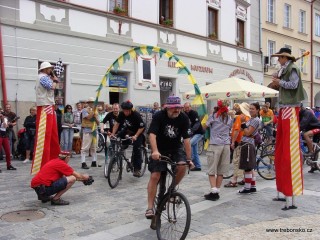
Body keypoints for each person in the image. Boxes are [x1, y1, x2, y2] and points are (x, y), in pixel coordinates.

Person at [145, 96, 193, 218]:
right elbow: (152, 135)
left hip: (175, 148)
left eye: (178, 108)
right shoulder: (159, 116)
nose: (176, 110)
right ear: (167, 108)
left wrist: (189, 158)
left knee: (182, 166)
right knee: (155, 175)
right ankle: (150, 208)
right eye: (173, 108)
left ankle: (171, 190)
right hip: (159, 148)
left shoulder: (184, 118)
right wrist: (155, 151)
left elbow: (187, 140)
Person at [271, 47, 304, 210]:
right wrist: (277, 79)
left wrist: (279, 82)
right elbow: (280, 84)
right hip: (284, 108)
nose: (278, 60)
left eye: (279, 57)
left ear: (285, 57)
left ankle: (290, 197)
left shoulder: (293, 69)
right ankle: (282, 191)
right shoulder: (286, 68)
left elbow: (293, 84)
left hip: (291, 109)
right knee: (280, 151)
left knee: (289, 153)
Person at [32, 62, 61, 175]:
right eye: (49, 68)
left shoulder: (43, 77)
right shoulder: (42, 77)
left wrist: (53, 79)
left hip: (48, 106)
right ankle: (42, 165)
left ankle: (52, 162)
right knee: (45, 137)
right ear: (45, 69)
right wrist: (54, 79)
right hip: (45, 107)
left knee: (52, 136)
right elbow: (52, 86)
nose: (50, 70)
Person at [202, 100, 233, 201]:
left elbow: (204, 127)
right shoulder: (229, 118)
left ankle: (213, 192)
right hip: (226, 145)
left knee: (212, 169)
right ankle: (217, 191)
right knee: (221, 171)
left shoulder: (214, 116)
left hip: (215, 144)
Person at [111, 100, 146, 177]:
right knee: (118, 138)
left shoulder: (136, 115)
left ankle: (137, 169)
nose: (126, 113)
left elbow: (141, 127)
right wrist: (113, 134)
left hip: (138, 131)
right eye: (124, 111)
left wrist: (136, 136)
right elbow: (117, 124)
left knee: (136, 148)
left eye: (127, 111)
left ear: (130, 110)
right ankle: (119, 153)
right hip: (128, 130)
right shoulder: (121, 114)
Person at [224, 102, 250, 188]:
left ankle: (234, 180)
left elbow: (236, 130)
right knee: (244, 161)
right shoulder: (248, 117)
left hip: (239, 141)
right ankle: (245, 179)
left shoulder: (240, 118)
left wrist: (232, 142)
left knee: (236, 161)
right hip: (247, 142)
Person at [238, 102, 261, 194]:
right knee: (250, 167)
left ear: (257, 110)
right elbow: (243, 130)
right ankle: (253, 186)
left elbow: (247, 132)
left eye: (253, 109)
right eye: (250, 108)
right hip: (247, 143)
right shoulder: (252, 119)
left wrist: (243, 123)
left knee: (247, 167)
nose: (251, 110)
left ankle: (247, 188)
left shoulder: (255, 120)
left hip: (248, 143)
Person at [183, 102, 204, 171]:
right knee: (194, 150)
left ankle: (190, 160)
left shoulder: (194, 113)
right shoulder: (184, 114)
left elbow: (197, 123)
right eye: (185, 108)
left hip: (198, 133)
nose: (187, 109)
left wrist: (192, 130)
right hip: (191, 134)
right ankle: (198, 166)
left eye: (188, 107)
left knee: (189, 143)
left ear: (190, 107)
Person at [80, 97, 100, 169]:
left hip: (95, 130)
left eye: (93, 102)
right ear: (88, 103)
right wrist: (93, 113)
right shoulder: (84, 110)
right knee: (85, 147)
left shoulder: (96, 111)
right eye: (90, 102)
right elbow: (88, 117)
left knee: (94, 147)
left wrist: (95, 117)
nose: (92, 103)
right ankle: (83, 162)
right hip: (87, 130)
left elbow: (98, 122)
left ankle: (94, 161)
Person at [299, 107, 320, 173]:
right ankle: (314, 166)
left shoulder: (307, 113)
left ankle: (311, 151)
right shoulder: (300, 114)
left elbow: (303, 123)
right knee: (315, 148)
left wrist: (297, 129)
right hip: (311, 129)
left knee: (306, 135)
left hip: (318, 127)